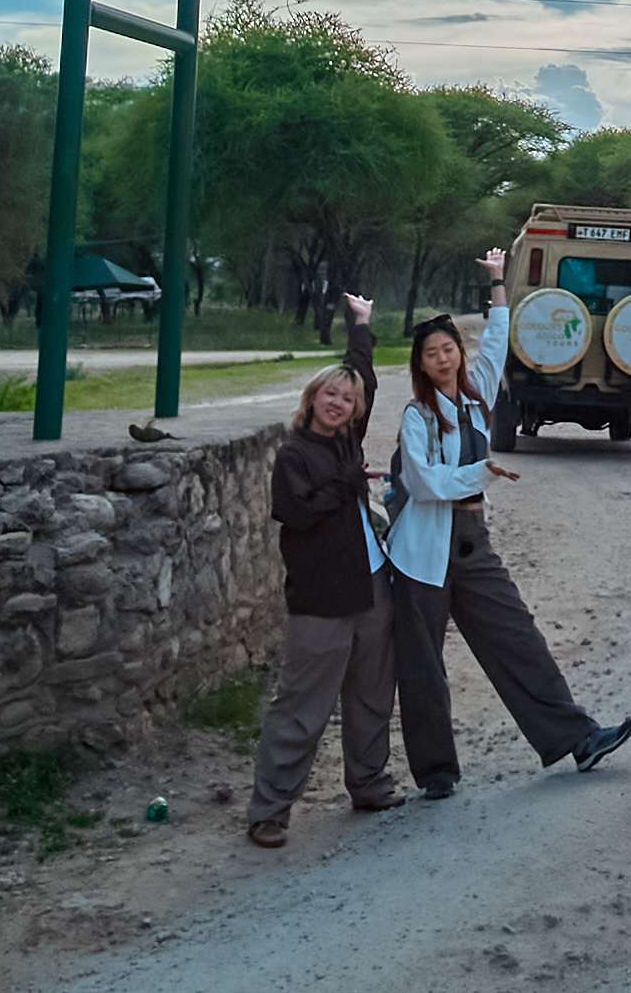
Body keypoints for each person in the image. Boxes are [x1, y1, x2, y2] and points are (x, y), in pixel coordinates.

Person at [386, 247, 631, 798]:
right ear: (420, 365)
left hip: (474, 543)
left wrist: (498, 282)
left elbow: (499, 338)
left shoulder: (474, 401)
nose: (444, 360)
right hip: (423, 552)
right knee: (423, 664)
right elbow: (422, 483)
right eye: (432, 354)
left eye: (449, 349)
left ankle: (578, 737)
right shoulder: (417, 416)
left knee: (517, 638)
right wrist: (480, 470)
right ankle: (436, 773)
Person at [247, 291, 403, 848]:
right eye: (329, 394)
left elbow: (366, 377)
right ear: (312, 399)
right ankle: (269, 810)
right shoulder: (297, 454)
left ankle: (369, 782)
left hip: (371, 585)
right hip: (320, 599)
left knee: (371, 694)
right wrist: (350, 481)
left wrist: (360, 324)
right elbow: (296, 510)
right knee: (302, 707)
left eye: (347, 398)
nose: (339, 402)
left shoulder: (346, 442)